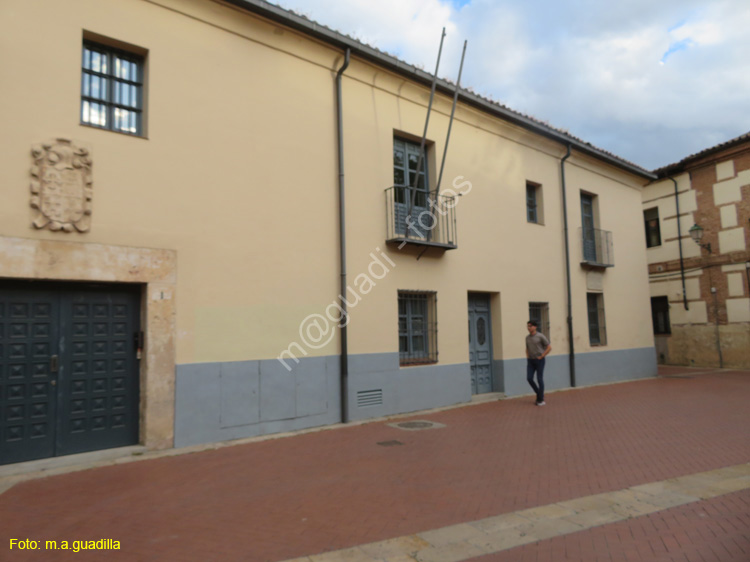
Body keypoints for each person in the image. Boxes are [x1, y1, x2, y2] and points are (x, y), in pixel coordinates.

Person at [526, 320, 551, 406]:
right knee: (529, 378)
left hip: (539, 360)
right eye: (528, 326)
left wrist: (542, 356)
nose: (528, 328)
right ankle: (539, 394)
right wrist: (527, 357)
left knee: (539, 379)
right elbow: (527, 348)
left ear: (535, 327)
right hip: (531, 360)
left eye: (530, 326)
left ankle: (540, 399)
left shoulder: (540, 336)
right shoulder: (527, 338)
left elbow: (549, 347)